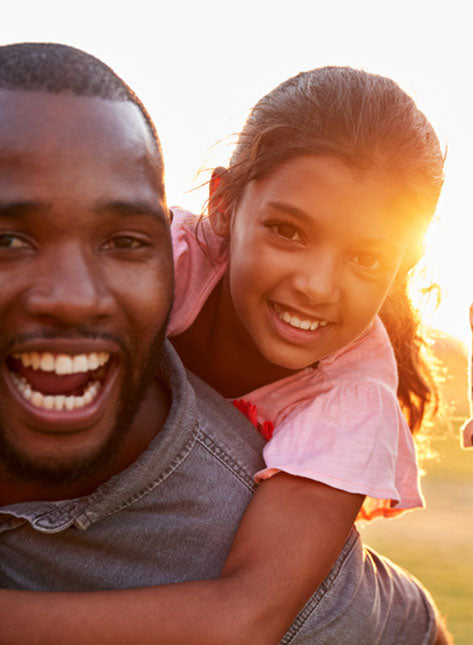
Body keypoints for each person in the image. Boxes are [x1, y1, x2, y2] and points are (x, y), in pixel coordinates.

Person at [0, 43, 445, 644]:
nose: (315, 285)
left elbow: (248, 617)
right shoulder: (165, 259)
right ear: (223, 203)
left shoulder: (352, 395)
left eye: (366, 258)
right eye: (288, 231)